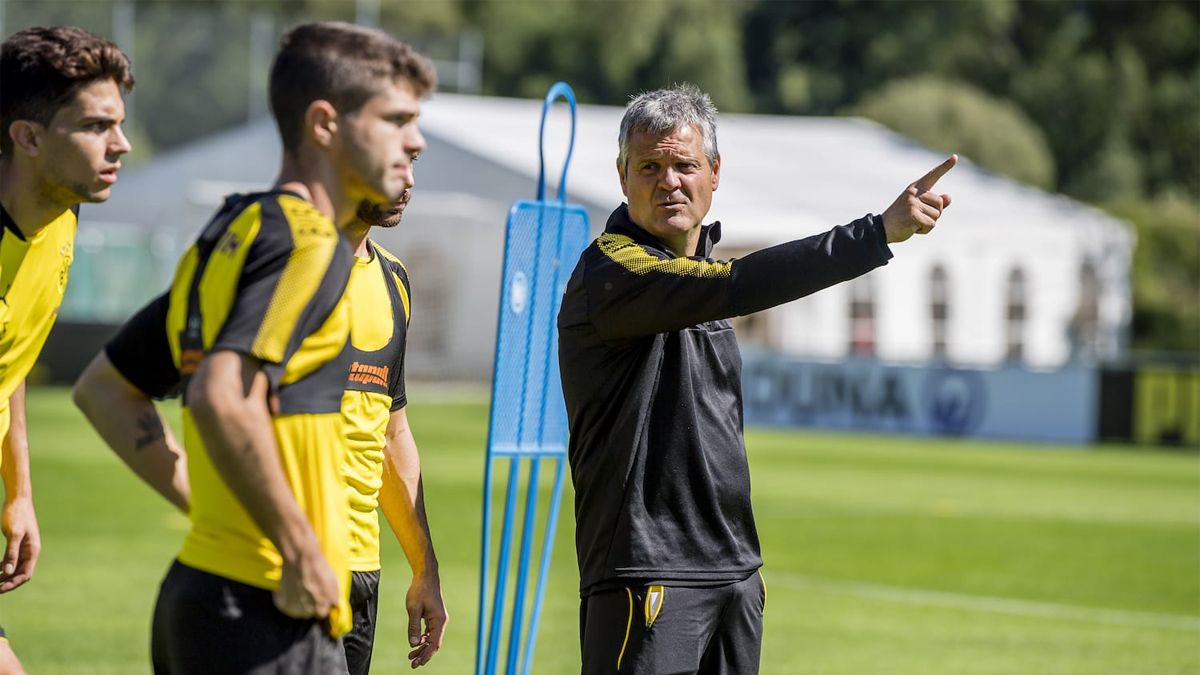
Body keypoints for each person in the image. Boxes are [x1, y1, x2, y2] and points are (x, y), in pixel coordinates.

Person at [557, 83, 956, 675]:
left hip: (735, 575)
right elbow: (741, 285)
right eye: (649, 166)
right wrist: (875, 234)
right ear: (622, 178)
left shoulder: (699, 267)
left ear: (714, 173)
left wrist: (744, 573)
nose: (668, 180)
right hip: (649, 573)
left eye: (684, 165)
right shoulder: (614, 271)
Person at [71, 22, 432, 674]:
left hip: (202, 592)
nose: (416, 140)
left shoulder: (237, 229)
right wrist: (300, 549)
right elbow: (219, 396)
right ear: (325, 124)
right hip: (264, 613)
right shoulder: (308, 242)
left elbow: (107, 388)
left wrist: (209, 505)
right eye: (395, 119)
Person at [0, 25, 133, 674]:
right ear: (27, 137)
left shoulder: (61, 217)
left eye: (120, 123)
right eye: (95, 126)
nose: (122, 145)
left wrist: (19, 491)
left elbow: (9, 364)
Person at [337, 197, 447, 673]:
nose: (408, 180)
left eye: (413, 159)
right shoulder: (284, 264)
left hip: (359, 572)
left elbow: (390, 431)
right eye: (397, 155)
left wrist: (424, 568)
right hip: (280, 568)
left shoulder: (394, 278)